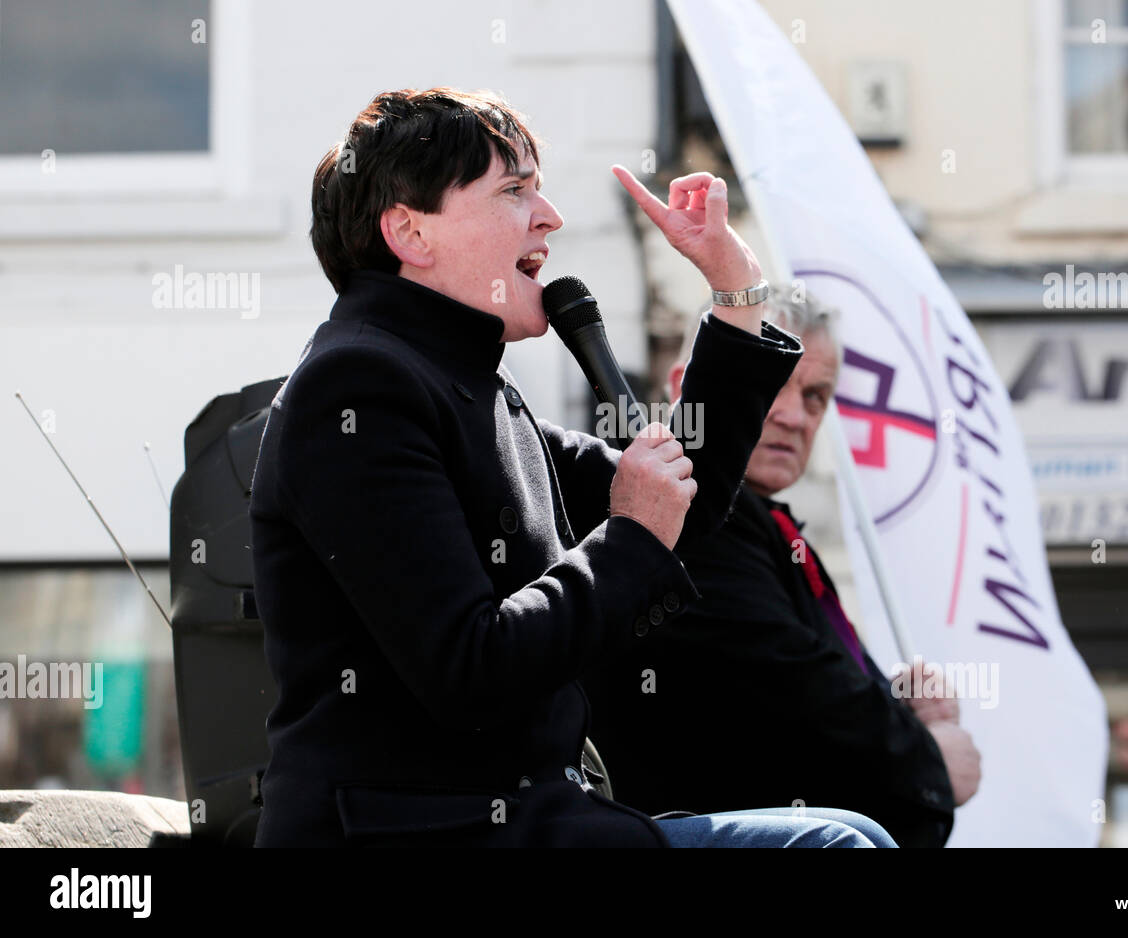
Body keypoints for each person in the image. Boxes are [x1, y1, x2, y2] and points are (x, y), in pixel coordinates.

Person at [248, 87, 892, 847]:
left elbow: (687, 499)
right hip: (425, 831)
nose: (548, 216)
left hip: (537, 824)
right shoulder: (357, 387)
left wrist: (734, 287)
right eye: (514, 190)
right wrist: (630, 534)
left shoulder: (471, 388)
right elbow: (469, 668)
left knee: (848, 835)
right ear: (409, 232)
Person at [585, 285, 983, 847]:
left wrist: (898, 705)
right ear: (689, 389)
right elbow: (791, 692)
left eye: (817, 395)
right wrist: (928, 757)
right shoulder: (686, 514)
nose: (795, 415)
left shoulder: (769, 526)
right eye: (775, 384)